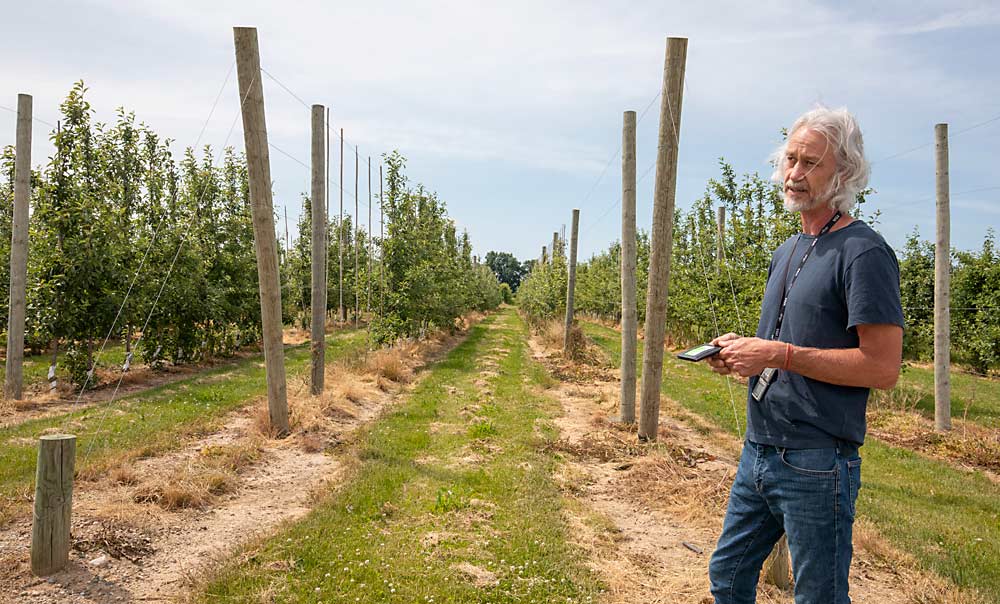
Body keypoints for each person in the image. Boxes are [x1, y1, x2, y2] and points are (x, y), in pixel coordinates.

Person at [705, 106, 904, 604]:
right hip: (760, 449)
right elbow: (783, 344)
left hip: (817, 461)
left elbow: (882, 368)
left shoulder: (864, 253)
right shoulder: (790, 248)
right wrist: (741, 354)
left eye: (811, 163)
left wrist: (779, 353)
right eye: (790, 159)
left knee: (818, 596)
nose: (794, 173)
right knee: (727, 577)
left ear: (845, 172)